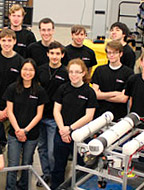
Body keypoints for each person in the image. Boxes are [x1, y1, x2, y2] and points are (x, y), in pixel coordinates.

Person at [51, 58, 98, 189]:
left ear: (84, 73)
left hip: (81, 136)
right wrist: (62, 130)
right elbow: (56, 110)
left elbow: (89, 116)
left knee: (82, 167)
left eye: (77, 72)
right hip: (61, 134)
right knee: (58, 166)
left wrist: (70, 129)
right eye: (71, 72)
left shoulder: (89, 92)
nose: (74, 75)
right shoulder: (62, 88)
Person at [3, 59, 47, 190]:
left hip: (32, 135)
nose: (27, 72)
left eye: (31, 70)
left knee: (27, 163)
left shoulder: (39, 91)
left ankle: (23, 187)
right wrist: (18, 130)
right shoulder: (12, 88)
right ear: (20, 71)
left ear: (35, 72)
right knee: (13, 164)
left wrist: (25, 131)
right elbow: (9, 111)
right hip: (14, 134)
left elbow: (39, 115)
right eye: (25, 69)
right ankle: (10, 188)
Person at [36, 41, 69, 187]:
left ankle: (55, 175)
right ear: (47, 54)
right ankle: (46, 174)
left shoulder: (66, 73)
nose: (54, 56)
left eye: (57, 54)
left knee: (51, 150)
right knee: (42, 148)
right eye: (52, 53)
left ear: (62, 55)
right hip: (39, 116)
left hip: (54, 118)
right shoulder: (40, 70)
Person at [91, 40, 133, 121]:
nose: (111, 55)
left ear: (120, 54)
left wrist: (102, 95)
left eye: (114, 53)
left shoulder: (128, 73)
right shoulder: (99, 70)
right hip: (99, 116)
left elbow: (123, 99)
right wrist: (114, 93)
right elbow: (94, 95)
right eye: (109, 53)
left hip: (118, 117)